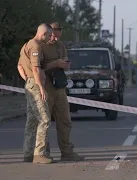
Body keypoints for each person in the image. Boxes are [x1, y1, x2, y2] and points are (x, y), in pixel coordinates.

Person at [41, 22, 84, 161]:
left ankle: (67, 152)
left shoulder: (61, 46)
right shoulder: (40, 46)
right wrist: (55, 64)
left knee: (65, 120)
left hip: (59, 87)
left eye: (58, 37)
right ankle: (43, 153)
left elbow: (65, 63)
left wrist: (65, 64)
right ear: (48, 33)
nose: (55, 39)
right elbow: (36, 69)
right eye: (53, 36)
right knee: (44, 121)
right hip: (45, 88)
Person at [17, 23, 53, 164]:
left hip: (30, 84)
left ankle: (27, 153)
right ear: (42, 33)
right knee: (44, 119)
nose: (50, 37)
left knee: (31, 121)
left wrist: (27, 79)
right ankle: (40, 154)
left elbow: (19, 66)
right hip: (36, 85)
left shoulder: (26, 45)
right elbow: (36, 69)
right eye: (49, 35)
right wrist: (40, 87)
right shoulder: (36, 46)